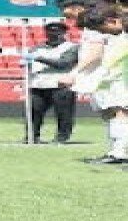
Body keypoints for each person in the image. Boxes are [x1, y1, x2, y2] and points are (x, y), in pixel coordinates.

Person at [69, 10, 128, 164]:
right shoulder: (118, 35)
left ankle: (119, 153)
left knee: (119, 111)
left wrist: (75, 73)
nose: (102, 33)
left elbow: (111, 57)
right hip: (114, 76)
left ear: (112, 21)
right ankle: (117, 151)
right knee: (113, 112)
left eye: (102, 29)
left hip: (119, 78)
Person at [25, 22, 78, 144]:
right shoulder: (36, 48)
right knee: (34, 111)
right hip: (38, 85)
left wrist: (39, 58)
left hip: (60, 84)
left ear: (63, 33)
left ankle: (62, 137)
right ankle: (32, 136)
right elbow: (30, 65)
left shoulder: (71, 47)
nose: (53, 34)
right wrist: (26, 63)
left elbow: (63, 63)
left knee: (63, 113)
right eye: (50, 32)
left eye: (57, 32)